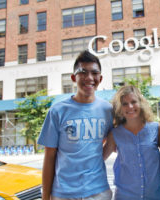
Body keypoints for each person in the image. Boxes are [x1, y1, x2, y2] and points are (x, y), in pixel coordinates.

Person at [37, 50, 113, 200]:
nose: (89, 78)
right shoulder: (57, 111)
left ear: (101, 78)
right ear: (73, 77)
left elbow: (113, 137)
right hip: (64, 193)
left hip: (99, 191)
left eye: (94, 73)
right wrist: (46, 197)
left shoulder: (107, 110)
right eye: (82, 72)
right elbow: (49, 157)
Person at [103, 85, 160, 200]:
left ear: (141, 103)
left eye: (133, 102)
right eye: (124, 104)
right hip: (125, 196)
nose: (130, 106)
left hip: (155, 196)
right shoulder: (115, 134)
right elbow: (98, 161)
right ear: (119, 108)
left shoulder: (157, 129)